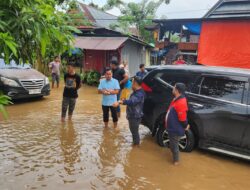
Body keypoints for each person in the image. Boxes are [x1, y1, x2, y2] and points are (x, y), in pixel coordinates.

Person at [113, 76, 145, 146]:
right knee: (134, 131)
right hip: (134, 115)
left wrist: (120, 102)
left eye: (132, 82)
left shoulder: (139, 93)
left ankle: (136, 147)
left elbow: (132, 101)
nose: (131, 84)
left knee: (134, 132)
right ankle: (135, 145)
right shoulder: (137, 91)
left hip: (135, 116)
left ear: (135, 83)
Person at [165, 83, 190, 165]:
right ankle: (175, 158)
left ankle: (176, 162)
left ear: (177, 91)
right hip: (172, 127)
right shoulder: (176, 98)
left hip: (175, 130)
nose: (172, 89)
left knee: (174, 146)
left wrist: (185, 126)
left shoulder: (181, 102)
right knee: (173, 145)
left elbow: (182, 118)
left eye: (174, 88)